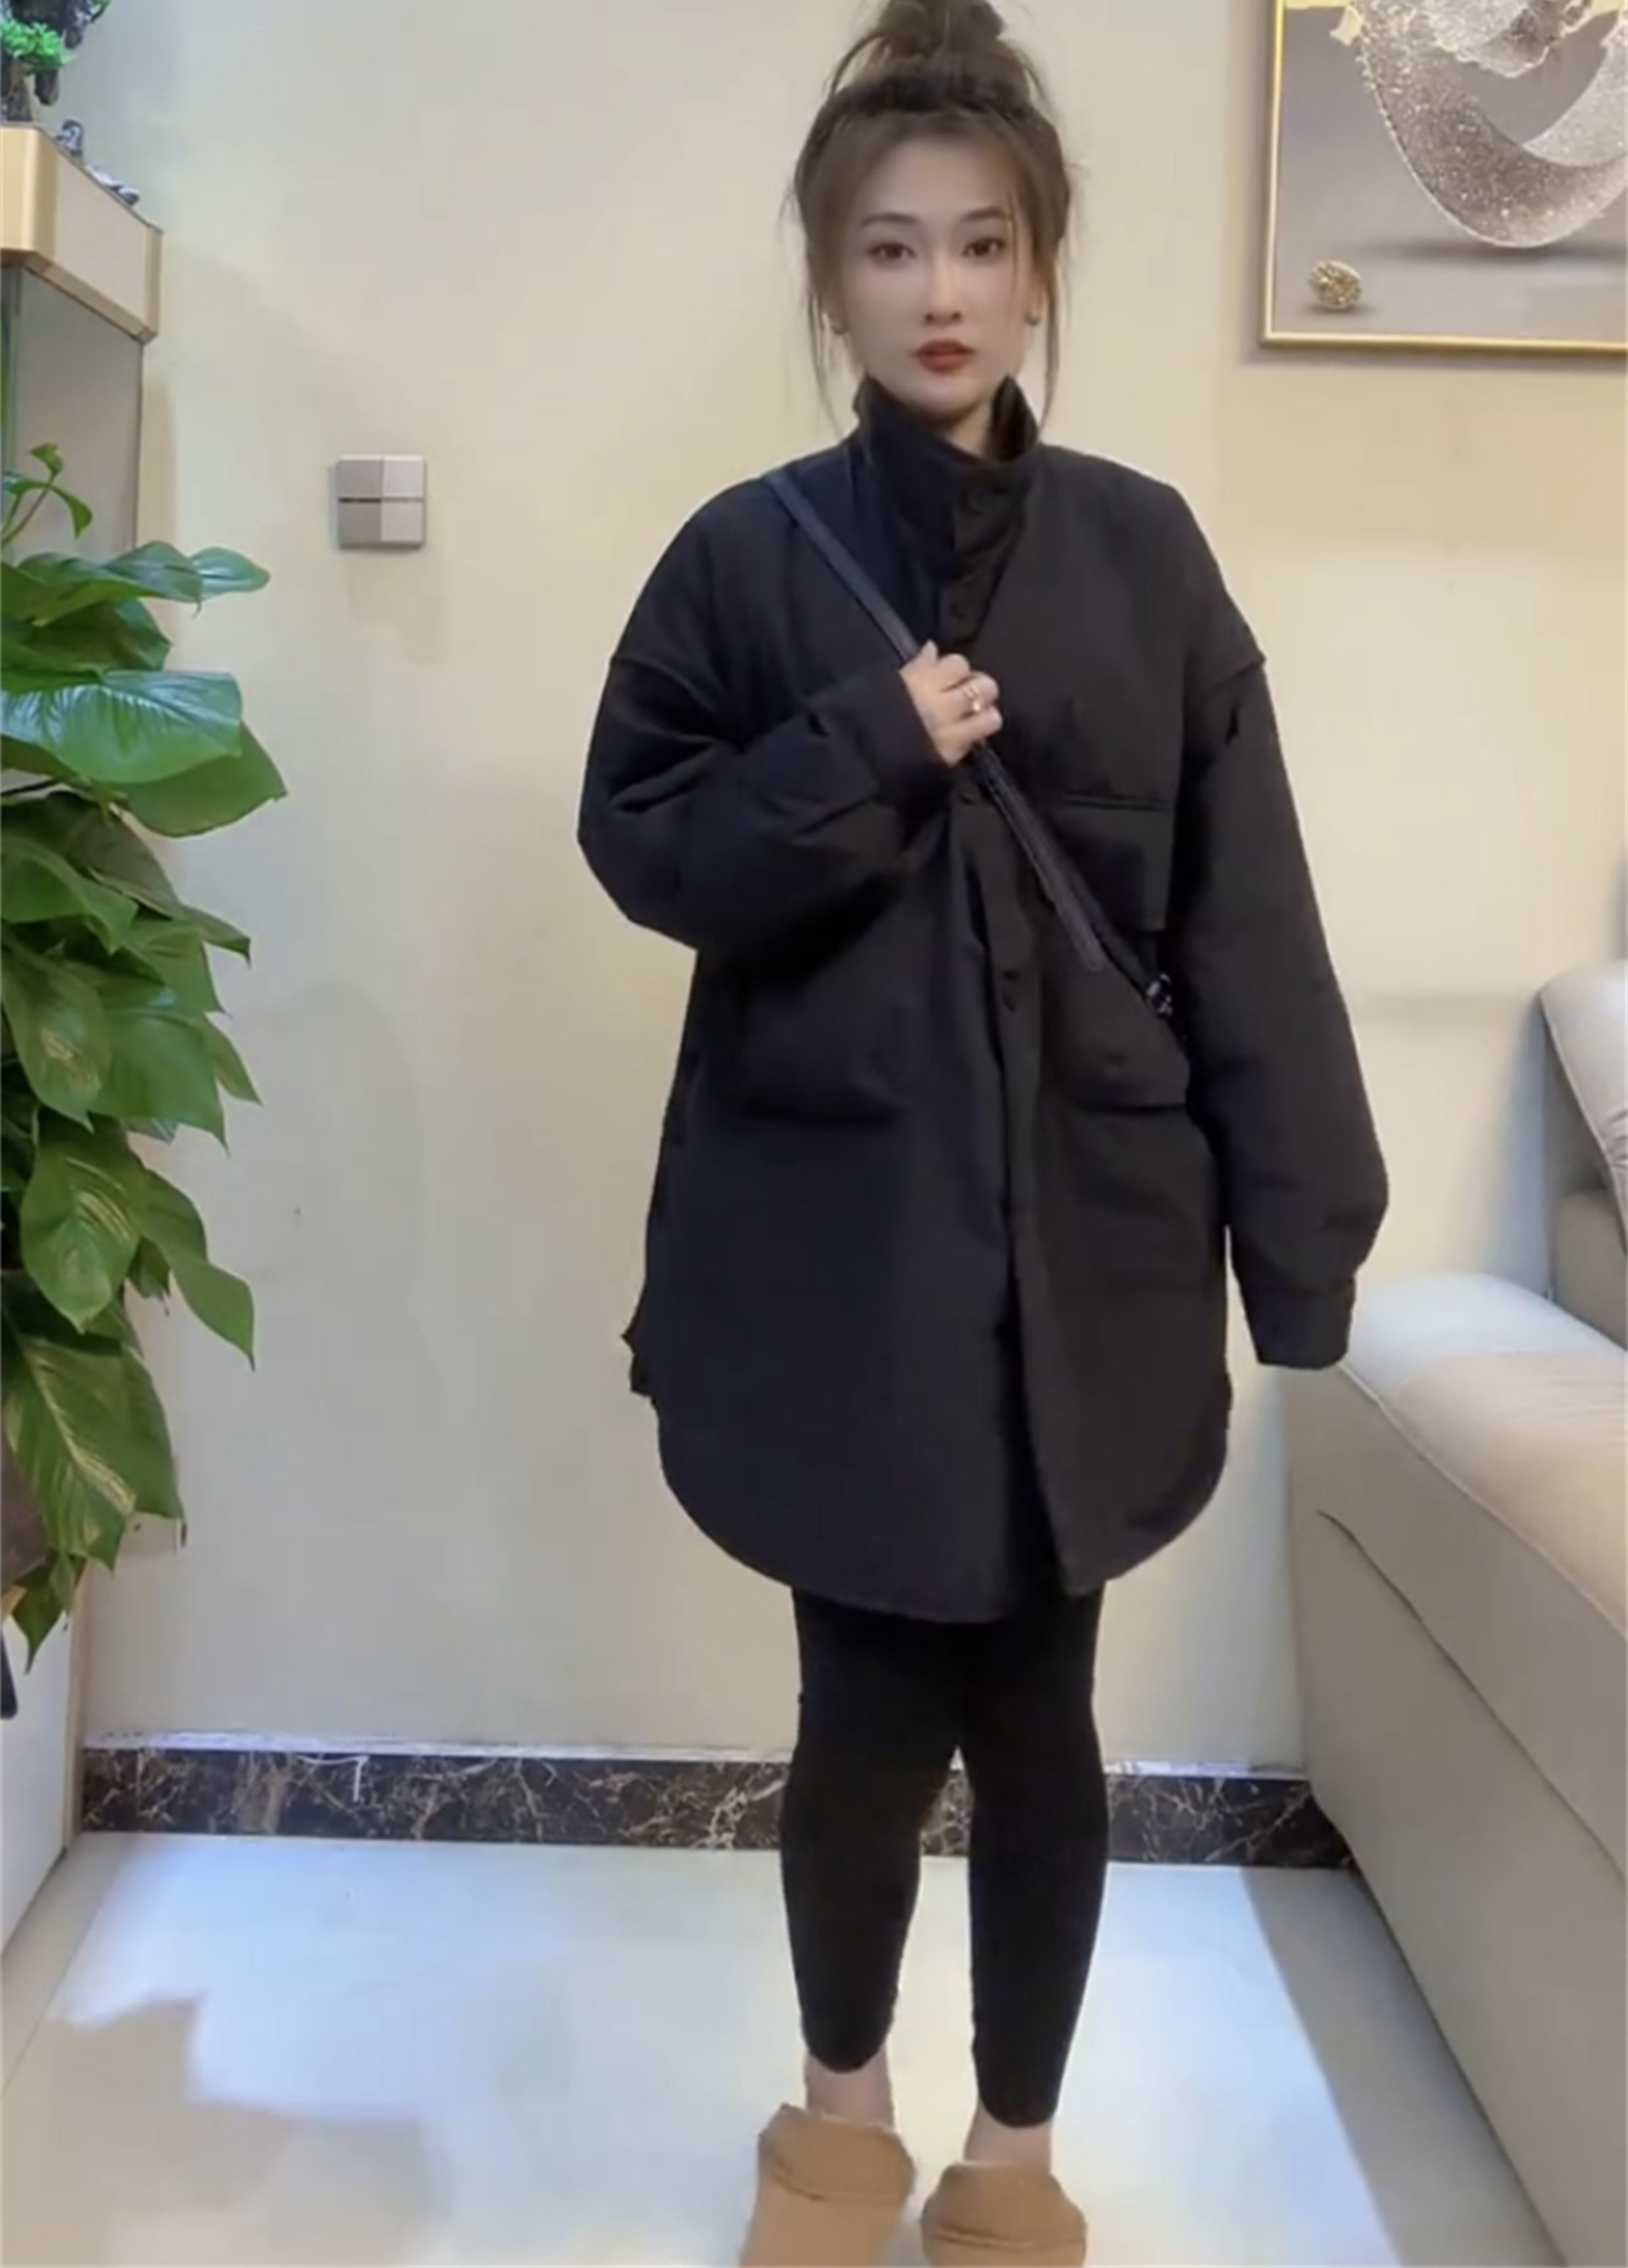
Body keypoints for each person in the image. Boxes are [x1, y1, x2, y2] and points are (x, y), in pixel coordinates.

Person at [579, 2, 1388, 2261]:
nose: (938, 290)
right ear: (830, 282)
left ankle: (1012, 2167)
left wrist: (1301, 1246)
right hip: (829, 1250)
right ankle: (838, 2130)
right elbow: (645, 847)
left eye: (983, 245)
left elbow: (1248, 920)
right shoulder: (742, 562)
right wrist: (865, 742)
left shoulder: (1147, 557)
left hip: (1097, 1247)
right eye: (888, 248)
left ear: (1039, 274)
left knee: (1042, 1719)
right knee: (858, 1713)